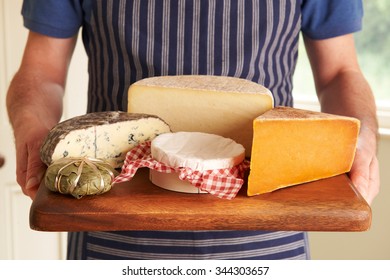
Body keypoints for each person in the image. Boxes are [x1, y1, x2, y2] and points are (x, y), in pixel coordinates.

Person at [7, 0, 379, 260]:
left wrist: (360, 141)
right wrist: (33, 128)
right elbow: (42, 73)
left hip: (265, 233)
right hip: (114, 230)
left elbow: (339, 73)